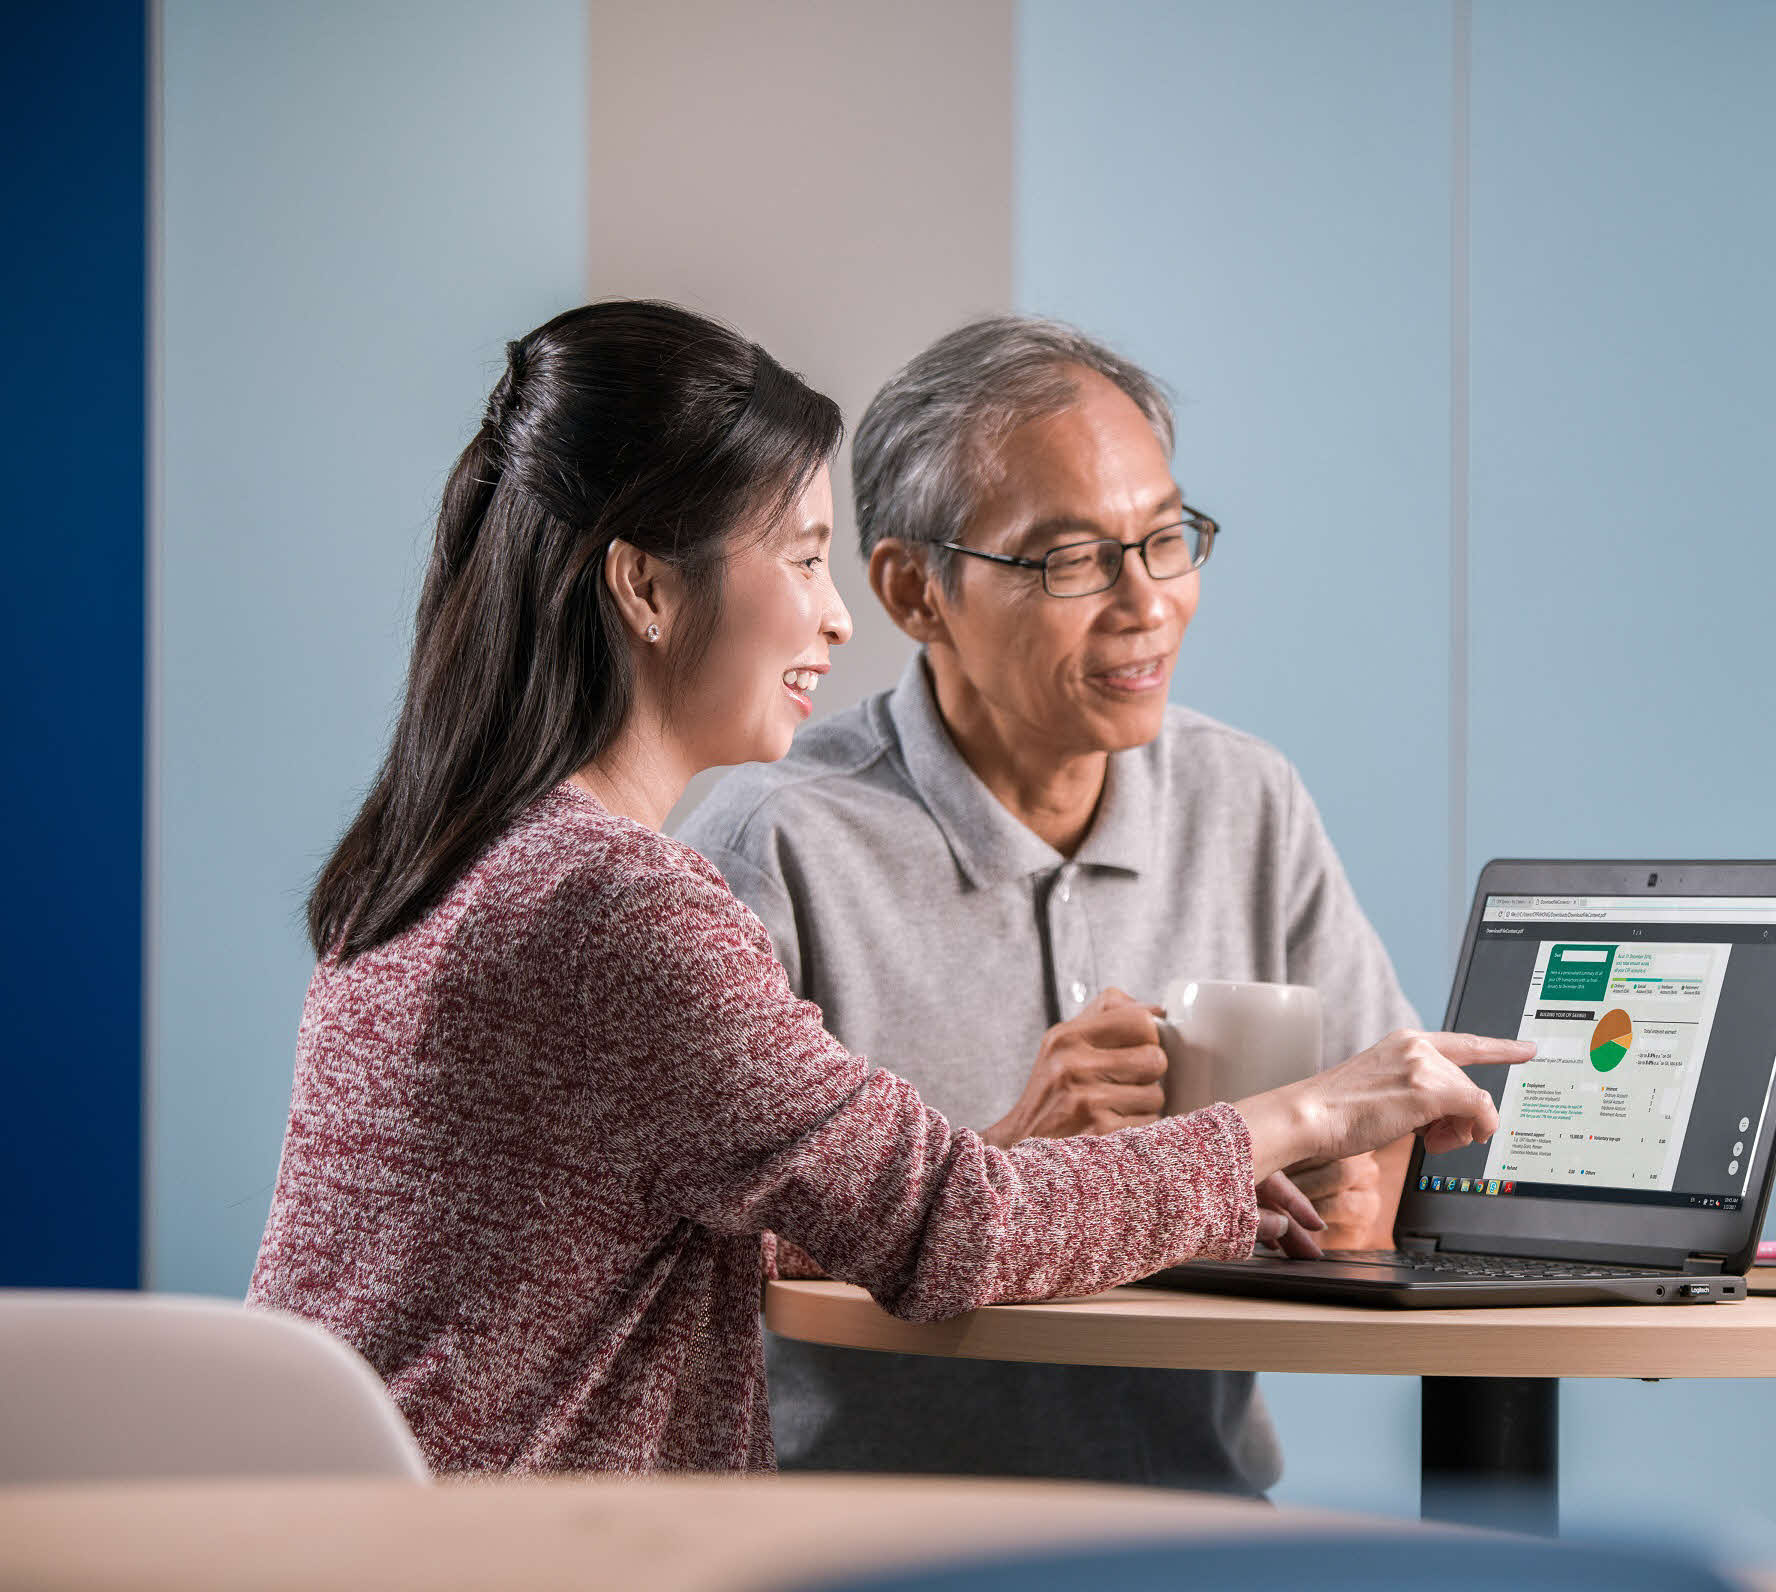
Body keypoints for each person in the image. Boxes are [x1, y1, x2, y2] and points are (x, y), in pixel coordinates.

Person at [245, 300, 1525, 1473]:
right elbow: (951, 1225)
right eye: (803, 561)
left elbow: (717, 1220)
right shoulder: (618, 904)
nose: (835, 616)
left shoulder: (450, 862)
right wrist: (1303, 1113)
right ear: (643, 584)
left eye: (1164, 538)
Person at [677, 316, 1421, 1495]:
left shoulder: (1245, 794)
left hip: (1199, 1525)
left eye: (1166, 539)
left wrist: (1356, 1187)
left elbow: (1392, 1118)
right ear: (915, 590)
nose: (1146, 603)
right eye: (1070, 559)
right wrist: (1005, 1157)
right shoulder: (774, 841)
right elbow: (698, 1268)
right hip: (875, 1541)